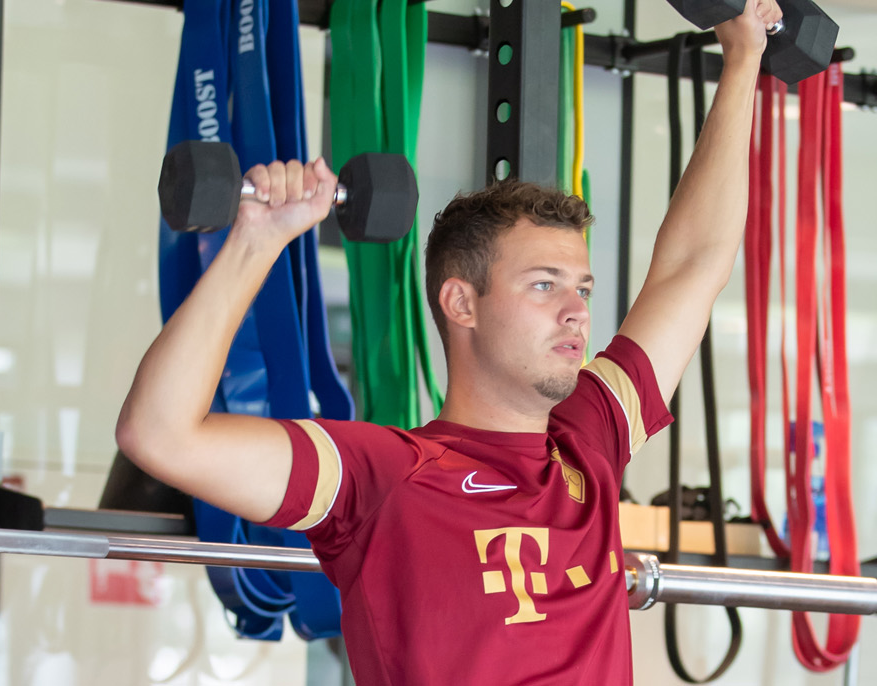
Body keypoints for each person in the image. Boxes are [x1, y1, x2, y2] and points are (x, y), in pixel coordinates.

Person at [116, 0, 779, 682]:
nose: (577, 314)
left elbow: (693, 266)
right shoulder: (378, 476)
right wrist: (256, 240)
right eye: (544, 286)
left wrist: (742, 58)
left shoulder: (591, 439)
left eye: (581, 289)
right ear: (461, 301)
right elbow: (160, 434)